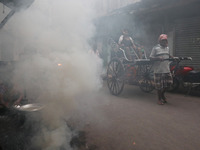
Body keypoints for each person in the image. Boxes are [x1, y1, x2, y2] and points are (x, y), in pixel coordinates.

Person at [150, 34, 173, 105]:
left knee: (169, 83)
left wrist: (173, 57)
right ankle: (159, 99)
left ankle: (162, 94)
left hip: (166, 69)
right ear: (160, 41)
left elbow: (169, 55)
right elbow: (151, 58)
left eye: (165, 40)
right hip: (158, 70)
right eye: (163, 40)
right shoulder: (155, 48)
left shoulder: (167, 48)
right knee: (159, 86)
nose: (165, 42)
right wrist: (158, 58)